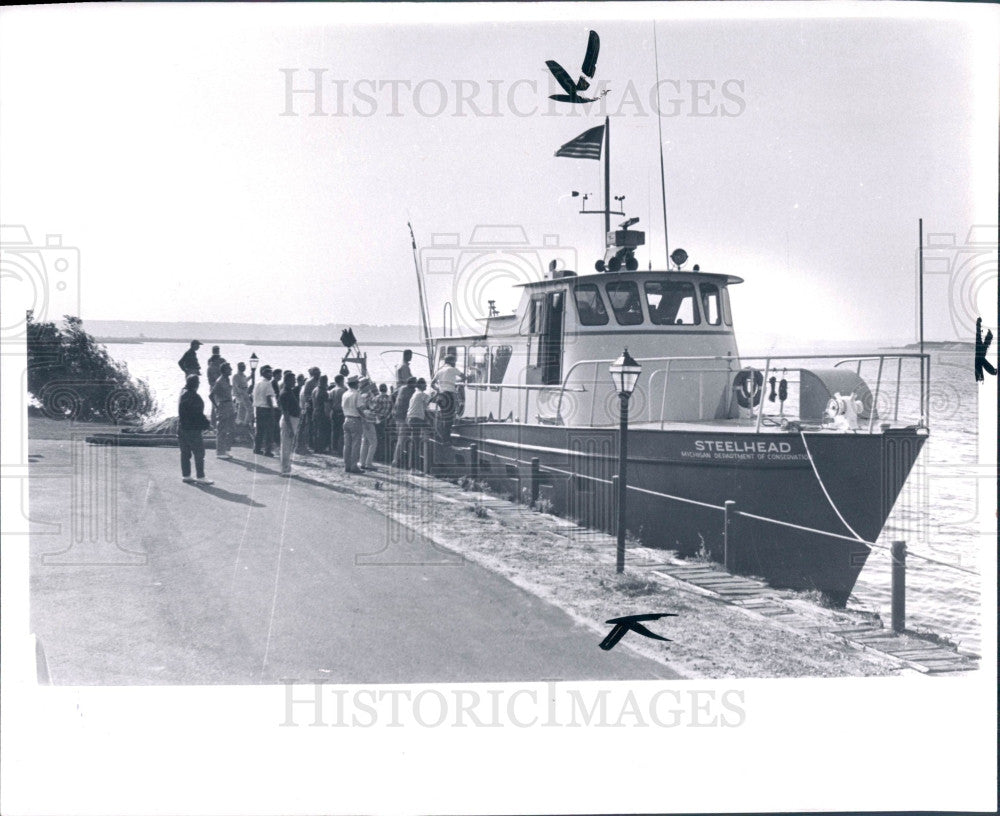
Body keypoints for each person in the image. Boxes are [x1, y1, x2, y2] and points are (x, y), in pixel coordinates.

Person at [178, 374, 213, 484]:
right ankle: (200, 477)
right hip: (192, 429)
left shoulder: (182, 393)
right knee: (199, 453)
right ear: (196, 384)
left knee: (185, 453)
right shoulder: (195, 397)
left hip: (182, 427)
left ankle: (186, 475)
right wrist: (208, 425)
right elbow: (199, 415)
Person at [431, 353, 465, 445]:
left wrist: (438, 389)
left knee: (443, 417)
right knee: (449, 418)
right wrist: (455, 382)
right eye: (454, 361)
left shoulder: (440, 370)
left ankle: (442, 438)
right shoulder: (452, 369)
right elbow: (464, 376)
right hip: (449, 396)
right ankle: (446, 440)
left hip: (441, 396)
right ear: (452, 362)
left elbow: (432, 383)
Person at [210, 362, 236, 459]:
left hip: (229, 405)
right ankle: (220, 452)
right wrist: (217, 406)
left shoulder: (227, 379)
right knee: (222, 430)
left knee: (231, 429)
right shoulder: (219, 381)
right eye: (229, 369)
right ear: (225, 370)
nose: (231, 370)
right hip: (223, 405)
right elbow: (211, 395)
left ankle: (226, 449)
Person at [404, 378, 431, 470]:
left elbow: (424, 407)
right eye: (425, 385)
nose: (426, 386)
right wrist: (438, 393)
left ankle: (414, 466)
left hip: (411, 419)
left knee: (415, 442)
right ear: (421, 385)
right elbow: (431, 400)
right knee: (416, 443)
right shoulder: (421, 394)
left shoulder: (415, 394)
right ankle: (413, 468)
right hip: (416, 420)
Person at [278, 370, 301, 476]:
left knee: (288, 445)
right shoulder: (285, 393)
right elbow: (286, 413)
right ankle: (285, 469)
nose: (295, 382)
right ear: (287, 381)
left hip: (292, 419)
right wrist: (290, 428)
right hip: (289, 420)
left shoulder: (288, 391)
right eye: (293, 380)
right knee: (286, 446)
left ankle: (286, 468)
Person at [390, 376, 416, 468]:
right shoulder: (412, 391)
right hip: (404, 418)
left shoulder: (401, 388)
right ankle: (395, 461)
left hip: (397, 416)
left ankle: (397, 460)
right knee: (401, 440)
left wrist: (394, 406)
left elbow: (392, 395)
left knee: (400, 439)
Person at [341, 375, 363, 474]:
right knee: (355, 444)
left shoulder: (345, 394)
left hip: (346, 419)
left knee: (347, 445)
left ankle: (347, 465)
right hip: (355, 419)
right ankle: (354, 466)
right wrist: (365, 416)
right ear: (356, 384)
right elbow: (359, 408)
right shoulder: (357, 394)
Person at [252, 365, 276, 457]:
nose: (271, 374)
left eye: (271, 372)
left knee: (259, 430)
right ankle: (267, 450)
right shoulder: (268, 384)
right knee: (269, 430)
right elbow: (269, 397)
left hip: (258, 408)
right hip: (266, 408)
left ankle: (257, 448)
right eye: (268, 372)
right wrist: (273, 409)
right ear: (264, 374)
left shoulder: (257, 383)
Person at [357, 378, 379, 470]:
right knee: (373, 443)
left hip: (363, 421)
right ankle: (368, 463)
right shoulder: (367, 396)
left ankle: (362, 462)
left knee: (365, 442)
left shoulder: (360, 395)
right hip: (368, 421)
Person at [298, 367, 320, 454]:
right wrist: (311, 402)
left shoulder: (317, 381)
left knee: (312, 426)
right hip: (309, 406)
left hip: (313, 406)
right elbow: (306, 395)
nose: (319, 374)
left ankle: (311, 444)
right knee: (309, 426)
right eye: (317, 373)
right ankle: (308, 444)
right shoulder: (309, 382)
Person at [373, 382, 393, 462]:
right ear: (386, 389)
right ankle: (384, 456)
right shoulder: (390, 398)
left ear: (379, 389)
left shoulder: (376, 398)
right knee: (385, 439)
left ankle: (376, 456)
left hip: (377, 420)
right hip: (386, 421)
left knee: (376, 439)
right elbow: (392, 410)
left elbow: (374, 410)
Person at [328, 374, 346, 456]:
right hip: (342, 412)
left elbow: (329, 403)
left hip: (334, 412)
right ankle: (341, 449)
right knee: (342, 431)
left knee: (334, 431)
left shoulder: (331, 391)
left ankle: (334, 449)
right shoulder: (344, 390)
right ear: (342, 380)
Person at [312, 374, 330, 453]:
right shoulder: (324, 392)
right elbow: (326, 405)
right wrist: (328, 415)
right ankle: (320, 448)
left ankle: (316, 447)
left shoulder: (315, 390)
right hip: (321, 412)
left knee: (316, 430)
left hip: (315, 411)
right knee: (322, 431)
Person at [232, 362, 252, 427]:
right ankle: (244, 425)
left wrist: (251, 376)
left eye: (244, 366)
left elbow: (245, 381)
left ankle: (242, 425)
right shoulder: (236, 376)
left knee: (243, 412)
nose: (244, 368)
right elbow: (238, 387)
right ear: (239, 367)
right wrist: (245, 393)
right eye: (242, 366)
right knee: (248, 410)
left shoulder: (243, 376)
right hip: (240, 396)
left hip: (245, 395)